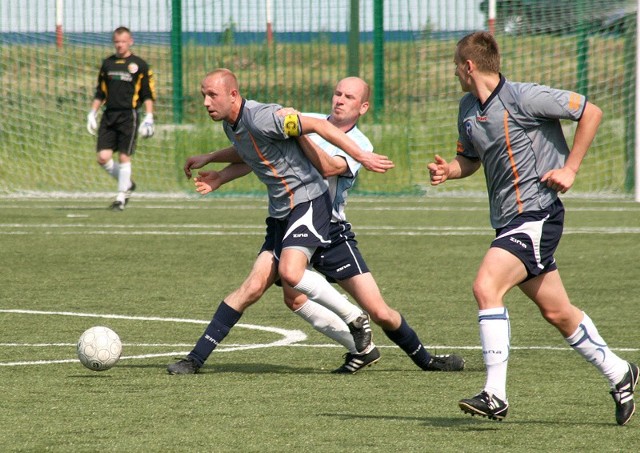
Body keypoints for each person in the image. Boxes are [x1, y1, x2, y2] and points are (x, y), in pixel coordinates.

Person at [169, 76, 465, 375]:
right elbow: (257, 149)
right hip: (289, 217)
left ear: (362, 107)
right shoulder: (295, 121)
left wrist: (306, 136)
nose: (339, 100)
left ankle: (424, 358)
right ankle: (196, 358)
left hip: (328, 225)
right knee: (265, 288)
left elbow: (326, 166)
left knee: (378, 311)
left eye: (349, 97)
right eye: (337, 93)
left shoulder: (357, 142)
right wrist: (216, 165)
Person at [427, 31, 637, 425]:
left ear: (468, 66)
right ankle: (620, 372)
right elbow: (468, 160)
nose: (455, 73)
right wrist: (448, 171)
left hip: (538, 214)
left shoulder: (525, 96)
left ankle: (495, 393)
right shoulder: (467, 109)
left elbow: (590, 111)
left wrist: (570, 168)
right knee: (558, 313)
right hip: (509, 222)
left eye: (457, 66)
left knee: (486, 286)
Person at [86, 26, 156, 211]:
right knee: (103, 157)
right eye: (117, 41)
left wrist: (149, 116)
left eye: (123, 41)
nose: (120, 45)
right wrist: (92, 113)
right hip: (109, 115)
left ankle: (120, 198)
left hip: (129, 115)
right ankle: (127, 184)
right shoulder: (107, 64)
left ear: (130, 41)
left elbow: (147, 94)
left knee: (124, 156)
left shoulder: (139, 65)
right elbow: (101, 92)